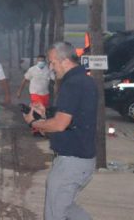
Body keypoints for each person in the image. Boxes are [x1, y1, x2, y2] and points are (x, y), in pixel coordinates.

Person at [23, 41, 98, 220]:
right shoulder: (84, 80)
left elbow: (59, 124)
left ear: (64, 60)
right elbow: (73, 116)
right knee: (66, 208)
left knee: (55, 213)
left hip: (72, 161)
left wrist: (34, 123)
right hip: (80, 159)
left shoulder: (72, 83)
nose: (51, 67)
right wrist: (46, 113)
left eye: (52, 62)